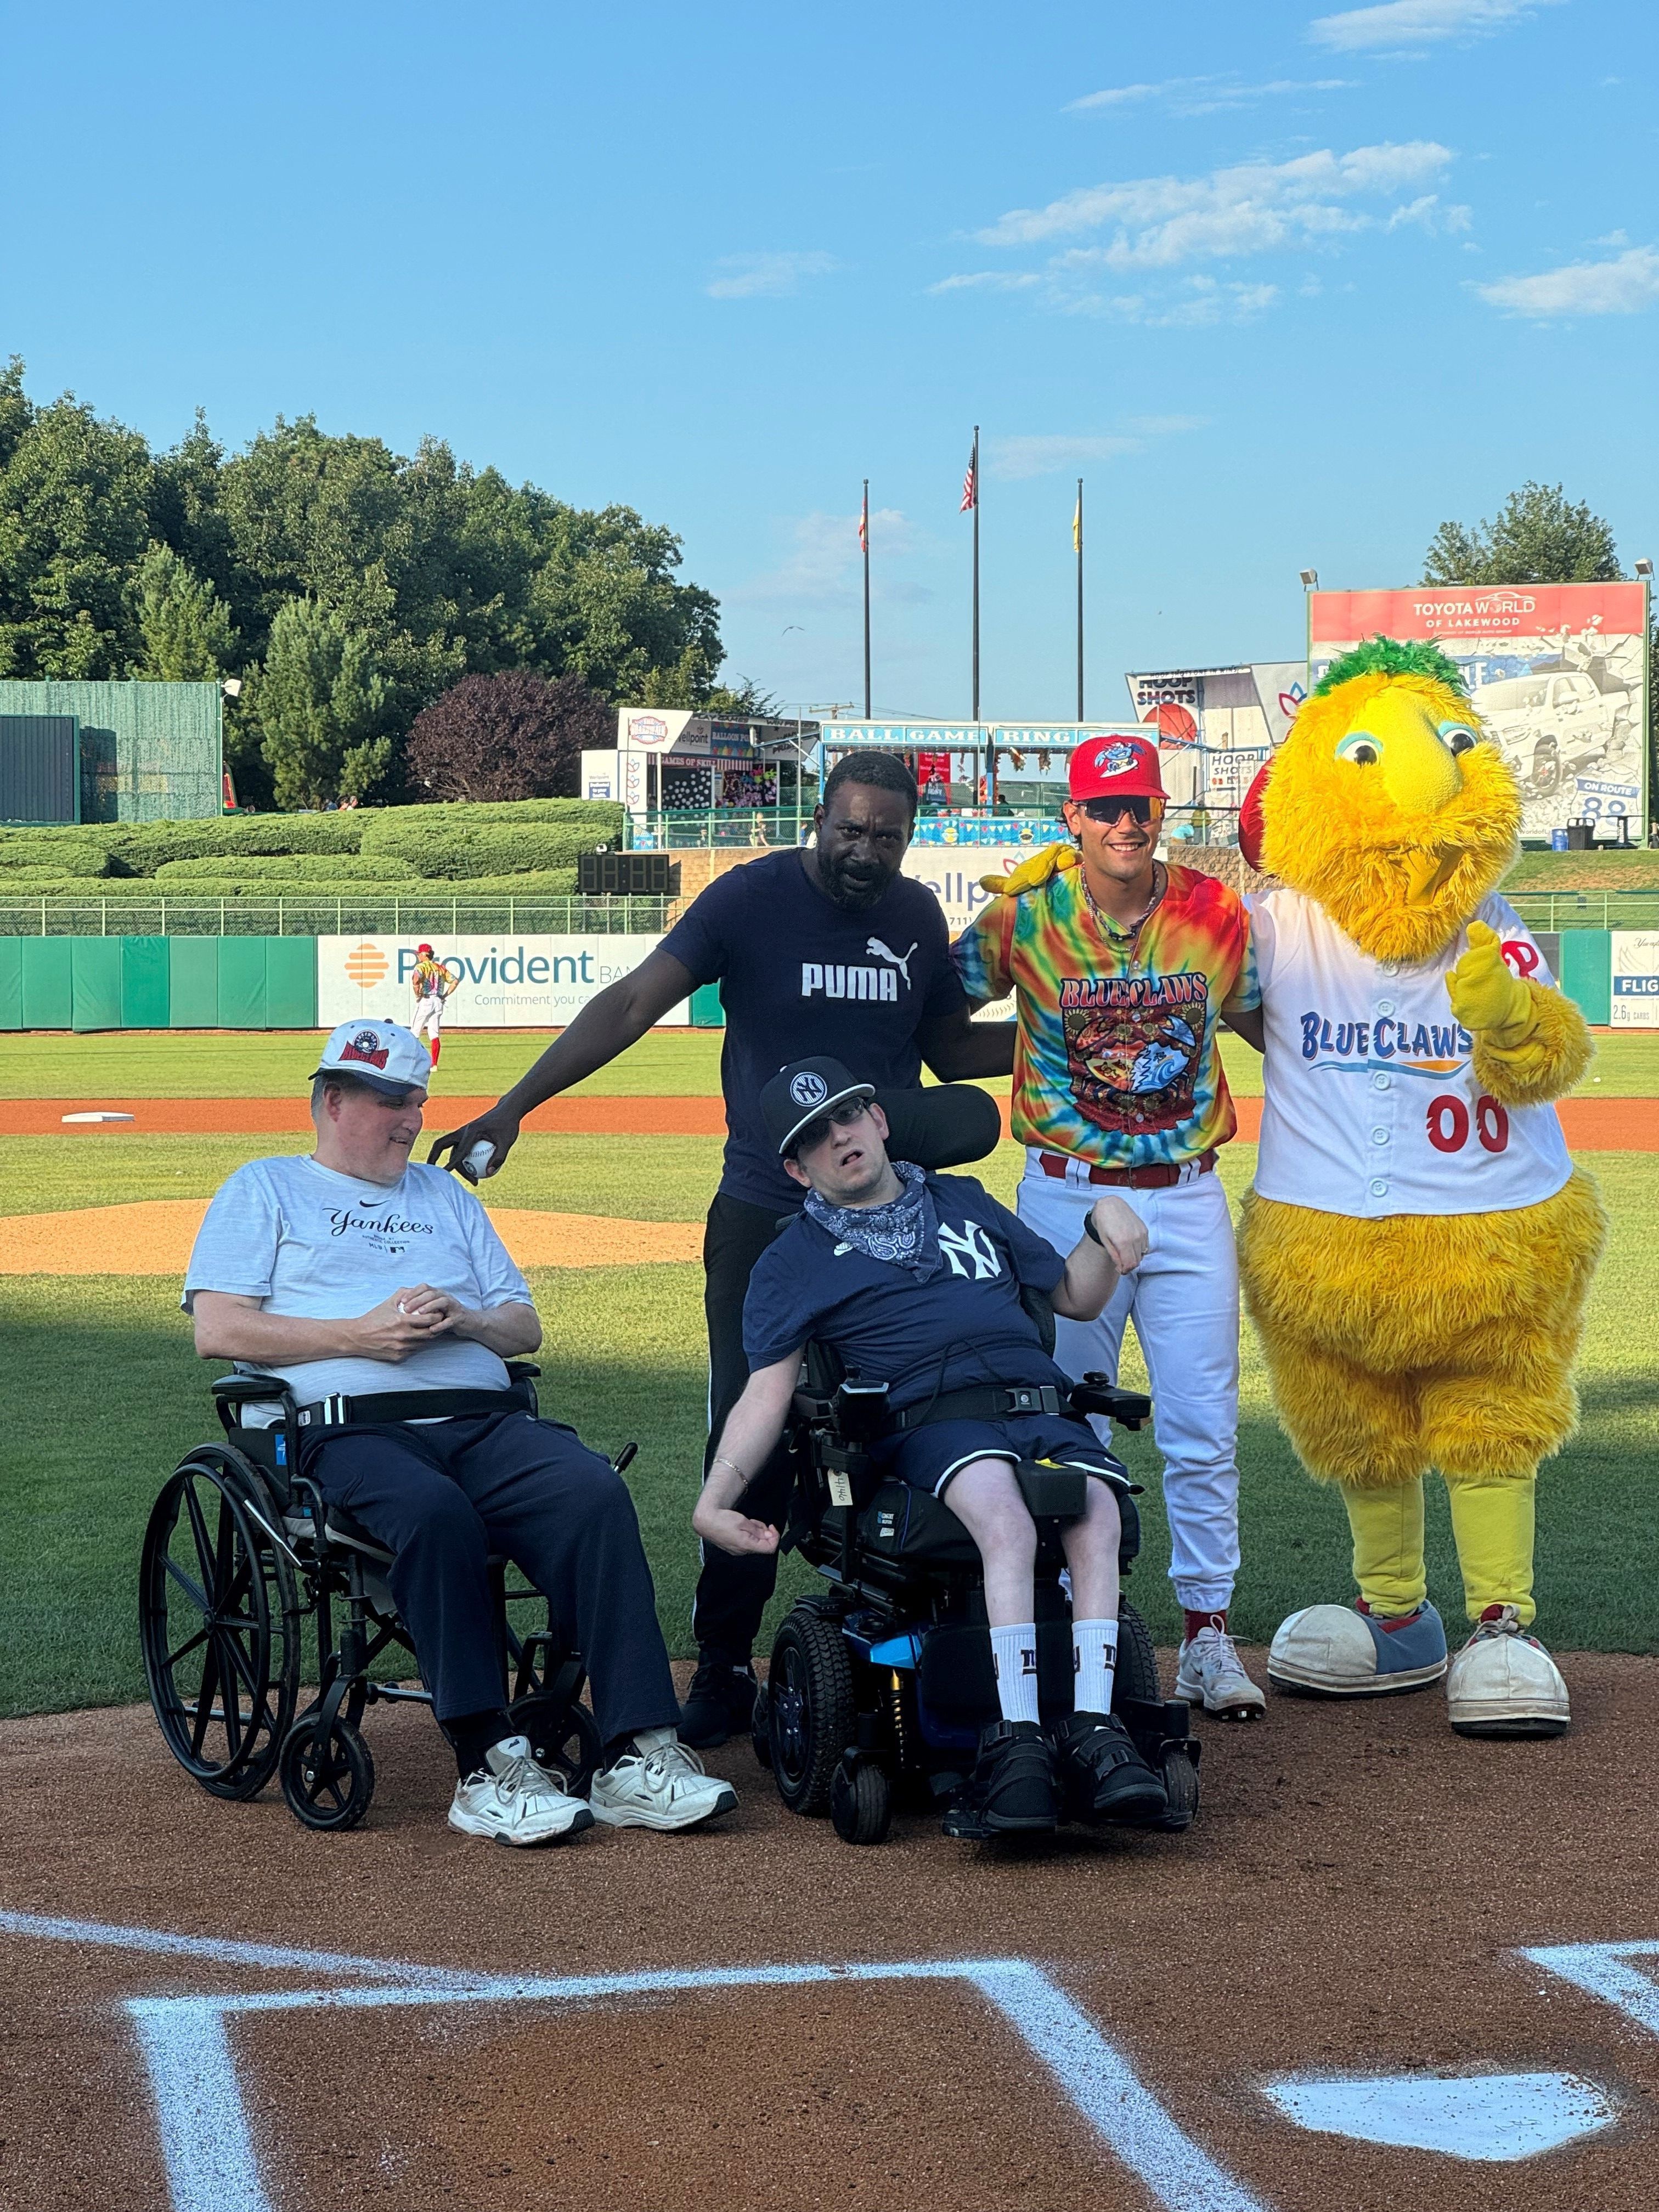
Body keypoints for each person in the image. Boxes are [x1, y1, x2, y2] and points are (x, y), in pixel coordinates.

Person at [428, 752, 1012, 1748]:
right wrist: (515, 1106)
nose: (865, 850)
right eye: (850, 829)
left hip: (886, 1215)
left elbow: (953, 1052)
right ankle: (724, 1663)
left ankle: (906, 1636)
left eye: (886, 835)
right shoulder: (748, 901)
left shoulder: (914, 918)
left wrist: (1058, 1033)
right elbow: (628, 1004)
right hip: (764, 1213)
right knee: (751, 1432)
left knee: (902, 1416)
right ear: (816, 820)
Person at [183, 1019, 737, 1847]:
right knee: (434, 1512)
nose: (411, 1118)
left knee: (593, 1490)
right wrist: (358, 1338)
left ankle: (639, 1753)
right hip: (346, 1431)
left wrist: (466, 1319)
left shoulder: (444, 1197)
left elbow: (524, 1329)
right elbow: (219, 1331)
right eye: (390, 1101)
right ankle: (487, 1766)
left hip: (482, 1421)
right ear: (333, 1101)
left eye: (417, 1101)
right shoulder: (264, 1189)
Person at [695, 1055, 1165, 1835]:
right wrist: (716, 1497)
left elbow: (1076, 1295)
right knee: (1007, 1521)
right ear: (797, 1168)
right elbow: (766, 1391)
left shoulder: (965, 1201)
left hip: (1038, 1405)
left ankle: (1093, 1730)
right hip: (931, 1422)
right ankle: (1017, 1741)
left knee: (1097, 1511)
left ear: (878, 1121)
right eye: (816, 1138)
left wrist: (1102, 1223)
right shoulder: (790, 1262)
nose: (840, 1138)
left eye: (848, 1118)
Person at [952, 733, 1269, 1722]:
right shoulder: (1022, 912)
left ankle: (1207, 1636)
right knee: (1064, 1418)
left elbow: (1263, 1022)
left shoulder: (1216, 913)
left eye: (1139, 805)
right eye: (1104, 807)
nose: (1124, 823)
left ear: (1161, 812)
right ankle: (1064, 1623)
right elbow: (933, 1006)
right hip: (1062, 1188)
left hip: (1184, 1190)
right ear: (1072, 819)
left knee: (1201, 1423)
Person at [409, 944, 453, 1066]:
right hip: (438, 1001)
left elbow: (416, 980)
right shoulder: (440, 967)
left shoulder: (421, 966)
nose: (418, 956)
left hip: (426, 1000)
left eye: (419, 954)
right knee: (434, 1033)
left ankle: (411, 1061)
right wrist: (444, 996)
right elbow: (455, 981)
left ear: (424, 954)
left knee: (414, 1032)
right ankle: (434, 1065)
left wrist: (417, 992)